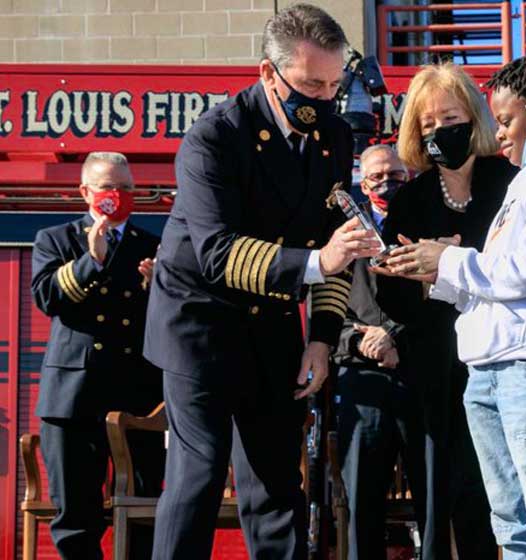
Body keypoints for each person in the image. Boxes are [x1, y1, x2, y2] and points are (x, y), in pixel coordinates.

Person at [143, 5, 381, 559]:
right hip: (196, 322)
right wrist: (319, 261)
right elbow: (217, 253)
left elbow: (335, 240)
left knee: (277, 482)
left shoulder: (335, 136)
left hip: (271, 321)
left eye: (331, 85)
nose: (321, 99)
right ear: (267, 74)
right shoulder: (213, 137)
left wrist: (322, 337)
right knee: (199, 473)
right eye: (308, 85)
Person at [380, 55, 526, 559]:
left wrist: (449, 257)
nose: (498, 133)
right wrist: (431, 270)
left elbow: (525, 271)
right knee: (511, 519)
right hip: (488, 363)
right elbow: (494, 282)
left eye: (504, 120)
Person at [31, 151, 164, 560]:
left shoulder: (152, 244)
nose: (118, 195)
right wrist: (93, 261)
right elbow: (48, 298)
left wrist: (157, 289)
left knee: (144, 508)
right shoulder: (56, 239)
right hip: (75, 394)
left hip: (139, 397)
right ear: (85, 191)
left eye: (126, 188)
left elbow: (175, 321)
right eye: (109, 187)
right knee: (76, 513)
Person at [334, 144, 422, 559]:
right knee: (361, 499)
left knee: (434, 494)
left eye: (398, 176)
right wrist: (361, 341)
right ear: (362, 182)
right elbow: (324, 312)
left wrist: (395, 338)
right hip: (363, 380)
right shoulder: (343, 233)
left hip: (419, 376)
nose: (388, 183)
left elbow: (444, 305)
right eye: (378, 176)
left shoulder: (427, 223)